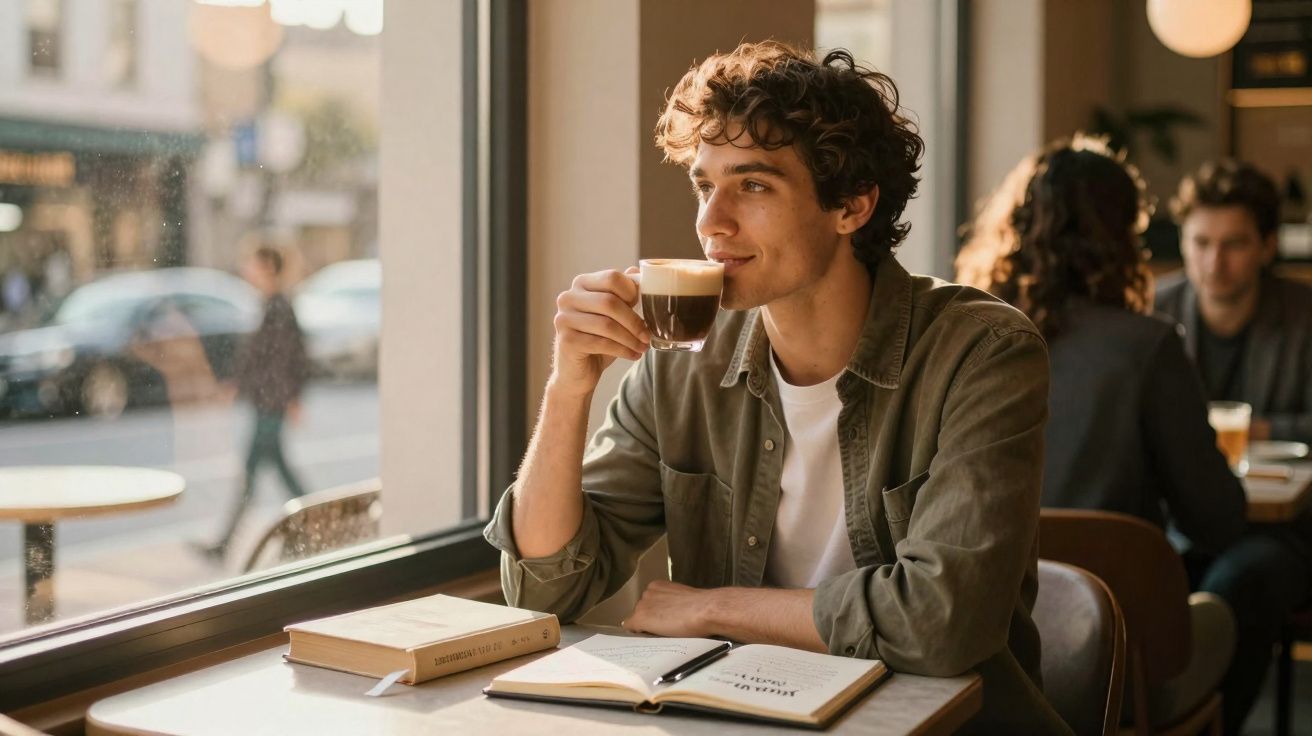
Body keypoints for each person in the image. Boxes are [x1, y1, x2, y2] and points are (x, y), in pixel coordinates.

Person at [484, 42, 1068, 734]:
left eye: (753, 186)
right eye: (705, 185)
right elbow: (550, 584)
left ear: (852, 205)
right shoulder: (679, 366)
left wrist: (709, 608)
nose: (710, 222)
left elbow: (942, 625)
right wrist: (569, 385)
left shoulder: (981, 353)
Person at [957, 136, 1244, 728]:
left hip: (982, 654)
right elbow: (1215, 519)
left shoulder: (963, 337)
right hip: (1118, 659)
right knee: (1225, 608)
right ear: (1122, 238)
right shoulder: (1148, 346)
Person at [1156, 160, 1312, 734]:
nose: (1213, 262)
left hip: (1282, 530)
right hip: (1183, 520)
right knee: (1149, 570)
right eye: (1200, 242)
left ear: (1268, 245)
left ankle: (1208, 727)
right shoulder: (1156, 311)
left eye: (1234, 244)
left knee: (1237, 585)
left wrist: (1259, 428)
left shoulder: (1303, 316)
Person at [201, 244, 309, 560]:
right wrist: (236, 385)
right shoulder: (269, 305)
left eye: (253, 264)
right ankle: (320, 519)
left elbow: (292, 357)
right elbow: (260, 358)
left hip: (271, 403)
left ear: (268, 269)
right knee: (273, 472)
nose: (247, 269)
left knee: (259, 474)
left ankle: (225, 544)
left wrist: (292, 399)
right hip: (267, 401)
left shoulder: (280, 308)